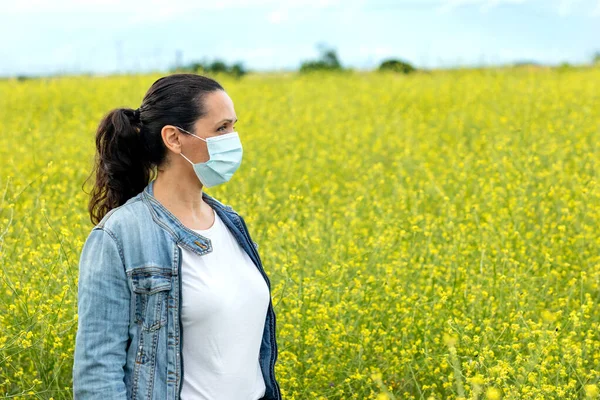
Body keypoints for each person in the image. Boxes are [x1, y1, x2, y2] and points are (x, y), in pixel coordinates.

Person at [72, 73, 282, 400]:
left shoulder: (230, 222)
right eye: (221, 128)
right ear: (174, 138)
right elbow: (98, 369)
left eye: (233, 127)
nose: (233, 139)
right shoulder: (119, 235)